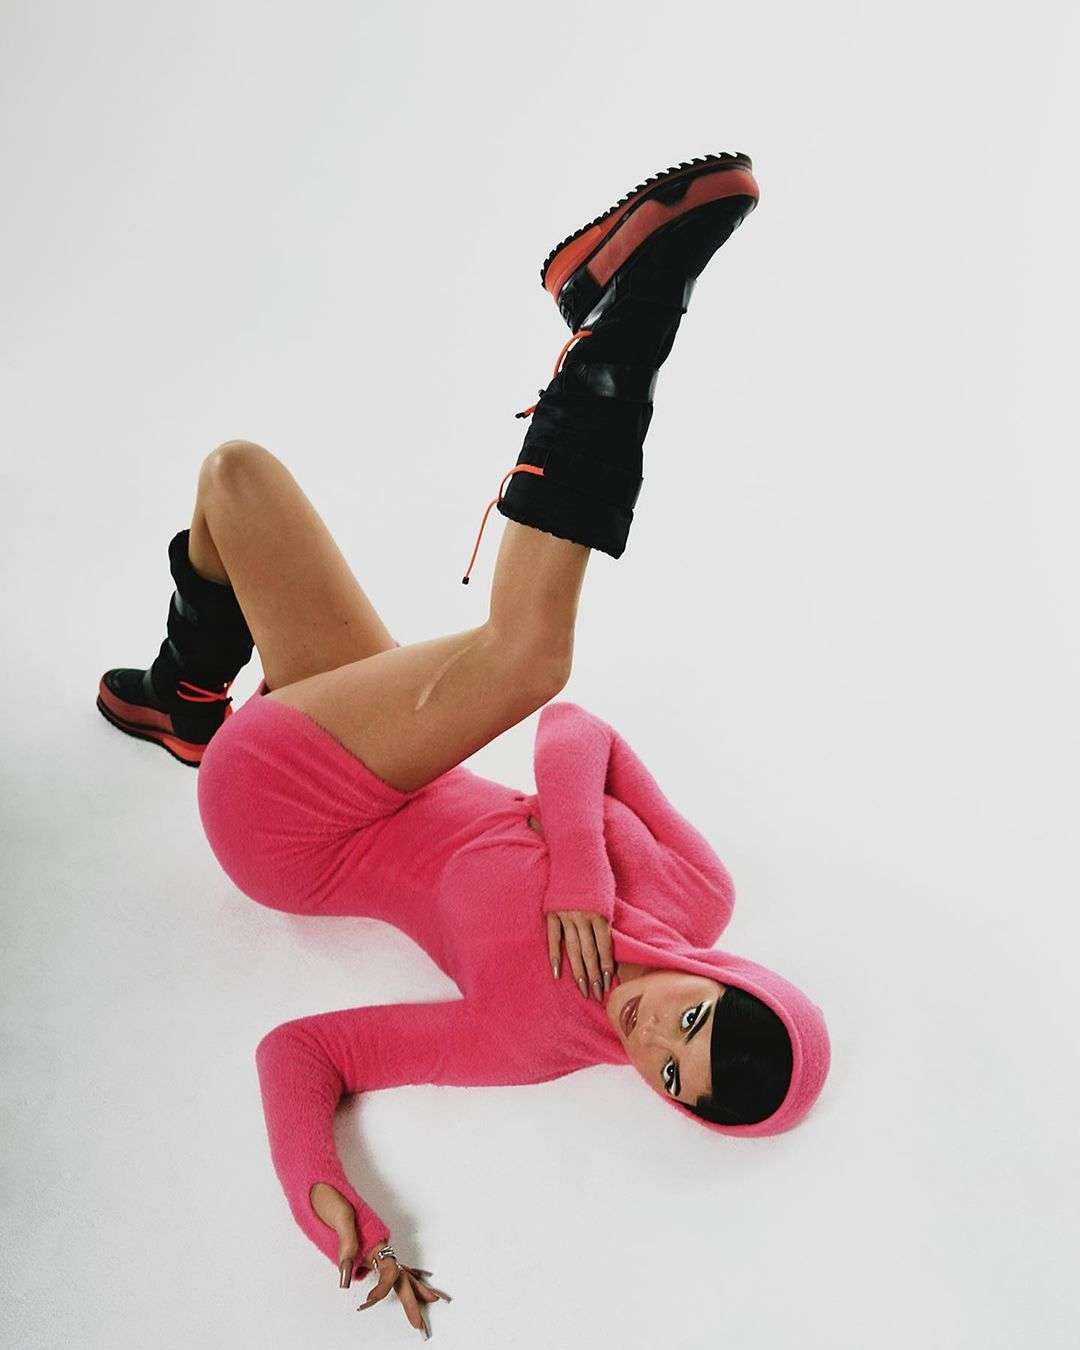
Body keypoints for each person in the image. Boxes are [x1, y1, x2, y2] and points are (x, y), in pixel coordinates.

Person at [97, 152, 831, 1337]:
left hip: (293, 825)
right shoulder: (698, 895)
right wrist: (581, 872)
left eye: (668, 1076)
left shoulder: (532, 1035)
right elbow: (578, 735)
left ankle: (626, 307)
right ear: (730, 978)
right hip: (382, 752)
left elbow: (303, 1054)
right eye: (692, 1020)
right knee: (237, 476)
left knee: (527, 653)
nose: (652, 1036)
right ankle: (181, 696)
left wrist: (331, 1205)